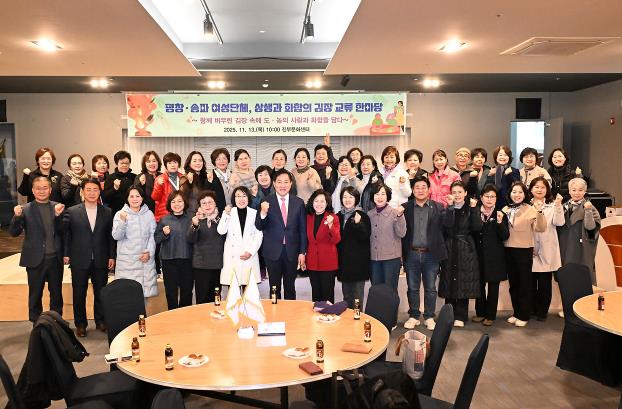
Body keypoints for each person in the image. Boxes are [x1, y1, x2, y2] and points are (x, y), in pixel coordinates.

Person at [63, 178, 115, 337]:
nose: (92, 193)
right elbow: (67, 235)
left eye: (95, 190)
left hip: (101, 258)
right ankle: (80, 324)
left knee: (101, 292)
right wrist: (66, 253)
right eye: (88, 190)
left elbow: (110, 237)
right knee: (79, 294)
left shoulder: (107, 212)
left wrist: (111, 256)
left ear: (99, 192)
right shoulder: (72, 211)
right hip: (79, 258)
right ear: (82, 192)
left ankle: (101, 321)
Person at [9, 176, 65, 322]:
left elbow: (63, 231)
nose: (42, 191)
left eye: (45, 188)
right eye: (38, 188)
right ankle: (37, 324)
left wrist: (58, 216)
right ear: (33, 191)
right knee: (35, 295)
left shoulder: (58, 207)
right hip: (34, 259)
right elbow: (13, 233)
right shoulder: (25, 209)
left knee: (56, 295)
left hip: (55, 259)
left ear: (50, 189)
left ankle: (56, 323)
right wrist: (17, 216)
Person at [402, 176, 453, 331]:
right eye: (417, 187)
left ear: (429, 189)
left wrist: (450, 207)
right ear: (412, 190)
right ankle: (414, 316)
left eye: (423, 187)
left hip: (431, 255)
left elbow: (448, 225)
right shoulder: (405, 208)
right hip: (411, 253)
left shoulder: (439, 207)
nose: (420, 190)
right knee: (412, 287)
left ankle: (429, 316)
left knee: (430, 288)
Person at [255, 169, 307, 300]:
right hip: (272, 251)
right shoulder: (265, 201)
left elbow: (302, 229)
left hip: (292, 251)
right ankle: (274, 311)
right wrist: (263, 213)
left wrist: (302, 252)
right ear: (274, 183)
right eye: (279, 182)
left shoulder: (299, 202)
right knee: (274, 287)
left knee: (290, 287)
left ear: (291, 184)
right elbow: (259, 226)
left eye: (286, 182)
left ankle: (291, 312)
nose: (282, 185)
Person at [503, 181, 546, 327]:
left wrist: (540, 212)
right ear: (510, 193)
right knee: (513, 284)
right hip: (508, 249)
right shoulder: (506, 209)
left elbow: (540, 228)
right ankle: (516, 312)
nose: (517, 195)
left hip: (524, 250)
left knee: (524, 284)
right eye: (514, 192)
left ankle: (524, 315)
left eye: (520, 192)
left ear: (525, 194)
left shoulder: (530, 209)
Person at [438, 182, 481, 327]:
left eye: (460, 192)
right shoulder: (447, 209)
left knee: (464, 281)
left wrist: (474, 209)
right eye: (454, 192)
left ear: (465, 193)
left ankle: (461, 316)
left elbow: (477, 227)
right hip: (450, 247)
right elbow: (447, 225)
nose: (457, 195)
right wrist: (450, 207)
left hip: (465, 248)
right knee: (449, 280)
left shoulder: (471, 208)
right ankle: (448, 314)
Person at [112, 187, 158, 305]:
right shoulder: (120, 214)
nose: (135, 199)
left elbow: (153, 235)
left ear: (142, 198)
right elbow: (116, 236)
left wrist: (149, 252)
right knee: (126, 298)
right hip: (127, 264)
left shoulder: (149, 214)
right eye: (131, 196)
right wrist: (122, 221)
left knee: (142, 299)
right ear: (127, 198)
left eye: (137, 196)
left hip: (144, 262)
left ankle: (142, 318)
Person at [472, 184, 509, 326]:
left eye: (492, 196)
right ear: (481, 198)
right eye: (487, 196)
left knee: (493, 287)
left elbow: (505, 236)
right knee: (479, 285)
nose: (489, 199)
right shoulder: (475, 212)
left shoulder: (500, 214)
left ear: (496, 199)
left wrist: (499, 223)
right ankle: (480, 313)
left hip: (495, 257)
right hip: (478, 255)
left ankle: (490, 315)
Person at [529, 177, 565, 321]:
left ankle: (542, 312)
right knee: (530, 283)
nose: (539, 190)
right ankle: (531, 309)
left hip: (547, 249)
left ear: (547, 190)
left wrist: (558, 206)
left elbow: (559, 222)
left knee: (545, 284)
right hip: (530, 249)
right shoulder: (526, 206)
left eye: (542, 187)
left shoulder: (552, 206)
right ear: (531, 189)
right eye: (536, 187)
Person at [558, 177, 601, 283]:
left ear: (585, 191)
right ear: (569, 191)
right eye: (574, 190)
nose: (577, 193)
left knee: (582, 277)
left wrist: (588, 211)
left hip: (581, 247)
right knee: (567, 276)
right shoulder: (563, 207)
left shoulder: (590, 207)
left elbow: (591, 228)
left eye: (580, 190)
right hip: (565, 245)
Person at [155, 190, 193, 310]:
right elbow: (156, 239)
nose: (177, 204)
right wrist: (164, 234)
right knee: (171, 293)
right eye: (173, 201)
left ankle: (185, 317)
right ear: (169, 204)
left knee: (187, 292)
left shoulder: (191, 218)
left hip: (187, 260)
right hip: (169, 261)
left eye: (179, 201)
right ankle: (172, 316)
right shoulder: (164, 220)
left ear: (184, 202)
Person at [218, 187, 263, 288]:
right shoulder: (229, 212)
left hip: (249, 255)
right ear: (234, 199)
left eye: (244, 196)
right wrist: (226, 215)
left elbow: (258, 235)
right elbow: (221, 231)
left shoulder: (254, 213)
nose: (241, 199)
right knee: (233, 293)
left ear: (248, 198)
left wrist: (251, 252)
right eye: (238, 196)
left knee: (249, 293)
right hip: (233, 257)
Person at [187, 190, 225, 304]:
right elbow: (190, 239)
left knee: (216, 298)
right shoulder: (196, 219)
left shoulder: (222, 219)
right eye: (204, 203)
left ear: (215, 203)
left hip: (217, 264)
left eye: (210, 202)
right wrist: (195, 226)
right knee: (202, 299)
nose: (207, 205)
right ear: (200, 205)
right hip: (201, 266)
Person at [368, 183, 406, 291]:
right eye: (377, 194)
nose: (379, 197)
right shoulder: (369, 214)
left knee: (390, 291)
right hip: (374, 259)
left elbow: (402, 233)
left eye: (383, 194)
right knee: (376, 290)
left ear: (388, 196)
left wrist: (400, 216)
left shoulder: (395, 213)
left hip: (391, 259)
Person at [337, 186, 371, 309]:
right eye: (345, 197)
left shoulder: (362, 215)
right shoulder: (338, 216)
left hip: (358, 264)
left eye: (350, 197)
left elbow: (365, 236)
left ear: (356, 199)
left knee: (357, 298)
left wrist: (358, 223)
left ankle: (357, 319)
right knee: (346, 297)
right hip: (344, 264)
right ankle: (348, 320)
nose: (347, 200)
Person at [305, 189, 341, 303]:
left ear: (327, 203)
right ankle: (316, 314)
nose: (319, 204)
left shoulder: (333, 217)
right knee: (315, 294)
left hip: (328, 262)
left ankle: (329, 313)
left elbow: (336, 239)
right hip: (312, 261)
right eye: (316, 201)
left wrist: (330, 225)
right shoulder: (308, 217)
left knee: (327, 294)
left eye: (322, 201)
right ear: (312, 202)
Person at [151, 152, 183, 222]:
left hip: (181, 214)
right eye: (169, 163)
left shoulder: (183, 178)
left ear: (179, 164)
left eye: (175, 162)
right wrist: (158, 185)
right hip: (165, 215)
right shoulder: (160, 178)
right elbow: (155, 197)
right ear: (166, 165)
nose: (172, 165)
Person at [103, 150, 137, 215]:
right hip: (115, 213)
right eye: (122, 163)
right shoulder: (110, 178)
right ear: (117, 163)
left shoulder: (134, 177)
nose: (124, 165)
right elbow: (106, 198)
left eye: (127, 163)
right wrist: (114, 188)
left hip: (132, 212)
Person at [487, 145, 520, 211]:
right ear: (496, 157)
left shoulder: (514, 171)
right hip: (492, 204)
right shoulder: (491, 170)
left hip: (508, 204)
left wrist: (509, 175)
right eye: (500, 155)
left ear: (509, 157)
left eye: (505, 155)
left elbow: (516, 187)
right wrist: (489, 176)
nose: (502, 157)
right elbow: (487, 188)